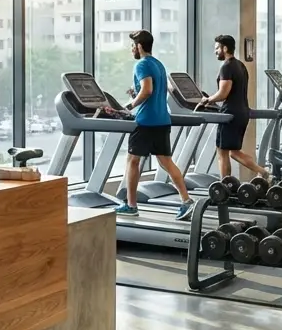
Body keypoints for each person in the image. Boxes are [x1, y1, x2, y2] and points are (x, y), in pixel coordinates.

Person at [112, 30, 195, 220]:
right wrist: (136, 92)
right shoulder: (158, 64)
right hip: (162, 119)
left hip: (145, 121)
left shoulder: (141, 64)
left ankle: (131, 205)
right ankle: (186, 200)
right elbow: (156, 89)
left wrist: (129, 106)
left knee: (133, 161)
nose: (131, 49)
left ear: (140, 46)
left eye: (133, 45)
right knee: (166, 161)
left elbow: (148, 90)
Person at [197, 35, 270, 183]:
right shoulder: (240, 65)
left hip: (230, 114)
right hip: (243, 112)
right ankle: (259, 172)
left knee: (223, 153)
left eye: (217, 48)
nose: (215, 52)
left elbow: (223, 93)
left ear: (225, 48)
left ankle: (226, 185)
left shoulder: (226, 66)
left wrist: (207, 100)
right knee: (234, 152)